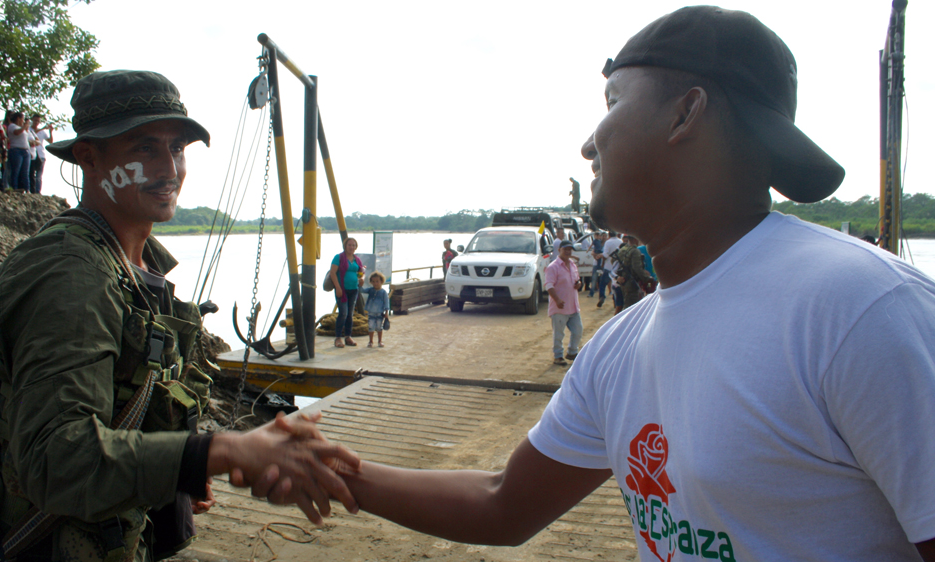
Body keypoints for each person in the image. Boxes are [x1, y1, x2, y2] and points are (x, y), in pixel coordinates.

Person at [312, 7, 935, 562]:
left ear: (686, 112)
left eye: (612, 104)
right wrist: (332, 470)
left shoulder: (861, 311)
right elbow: (504, 503)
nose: (589, 142)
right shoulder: (620, 346)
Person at [0, 69, 360, 562]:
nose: (169, 168)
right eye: (144, 148)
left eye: (176, 148)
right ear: (88, 158)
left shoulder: (132, 265)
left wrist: (172, 471)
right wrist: (217, 452)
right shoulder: (71, 275)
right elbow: (56, 461)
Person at [544, 239, 582, 366]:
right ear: (559, 250)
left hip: (573, 306)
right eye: (565, 249)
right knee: (559, 334)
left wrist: (579, 284)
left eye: (569, 249)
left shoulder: (572, 265)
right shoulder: (553, 267)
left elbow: (577, 280)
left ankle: (572, 352)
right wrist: (557, 299)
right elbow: (549, 285)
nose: (568, 252)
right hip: (559, 307)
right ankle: (558, 356)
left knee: (578, 330)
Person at [329, 237, 363, 348]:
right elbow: (333, 273)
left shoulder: (357, 259)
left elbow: (360, 272)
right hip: (342, 290)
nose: (351, 247)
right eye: (349, 245)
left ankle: (348, 336)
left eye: (353, 245)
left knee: (350, 314)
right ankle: (338, 338)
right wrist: (338, 287)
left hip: (354, 290)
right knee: (343, 313)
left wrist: (361, 278)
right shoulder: (338, 257)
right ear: (345, 246)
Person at [613, 234, 654, 311]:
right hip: (632, 282)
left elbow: (614, 265)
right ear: (635, 240)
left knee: (627, 305)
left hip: (623, 281)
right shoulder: (635, 251)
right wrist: (647, 279)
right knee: (632, 308)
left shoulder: (622, 250)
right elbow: (637, 268)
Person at [361, 271, 390, 348]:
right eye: (373, 281)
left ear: (381, 281)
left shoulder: (383, 292)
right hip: (371, 313)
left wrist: (387, 312)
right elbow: (362, 291)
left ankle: (380, 341)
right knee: (371, 327)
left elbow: (386, 303)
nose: (375, 283)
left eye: (377, 281)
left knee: (379, 327)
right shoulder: (370, 290)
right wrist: (359, 284)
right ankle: (370, 341)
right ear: (371, 282)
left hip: (380, 313)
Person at [6, 111, 33, 192]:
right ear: (18, 118)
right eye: (23, 119)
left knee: (25, 172)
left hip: (25, 151)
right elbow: (17, 132)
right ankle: (14, 188)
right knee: (16, 171)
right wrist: (25, 126)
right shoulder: (12, 126)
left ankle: (26, 189)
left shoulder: (23, 128)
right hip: (16, 150)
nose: (23, 121)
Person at [29, 114, 53, 194]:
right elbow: (33, 132)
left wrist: (50, 132)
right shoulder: (29, 129)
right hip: (32, 154)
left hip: (41, 154)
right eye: (35, 120)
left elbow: (50, 141)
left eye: (38, 121)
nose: (36, 122)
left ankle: (37, 191)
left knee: (39, 175)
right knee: (31, 174)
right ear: (32, 120)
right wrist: (43, 128)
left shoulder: (42, 132)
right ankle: (31, 190)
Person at [601, 231, 622, 311]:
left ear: (609, 235)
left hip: (609, 267)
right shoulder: (620, 241)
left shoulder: (608, 242)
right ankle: (615, 303)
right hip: (618, 268)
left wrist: (602, 260)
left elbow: (605, 255)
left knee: (603, 284)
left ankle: (602, 296)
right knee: (615, 285)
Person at [587, 230, 608, 305]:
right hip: (596, 263)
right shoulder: (597, 243)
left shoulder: (606, 244)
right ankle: (591, 293)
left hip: (604, 264)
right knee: (594, 278)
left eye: (605, 236)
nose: (604, 237)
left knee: (604, 280)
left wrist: (599, 255)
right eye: (603, 236)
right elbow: (592, 252)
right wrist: (595, 255)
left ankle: (604, 294)